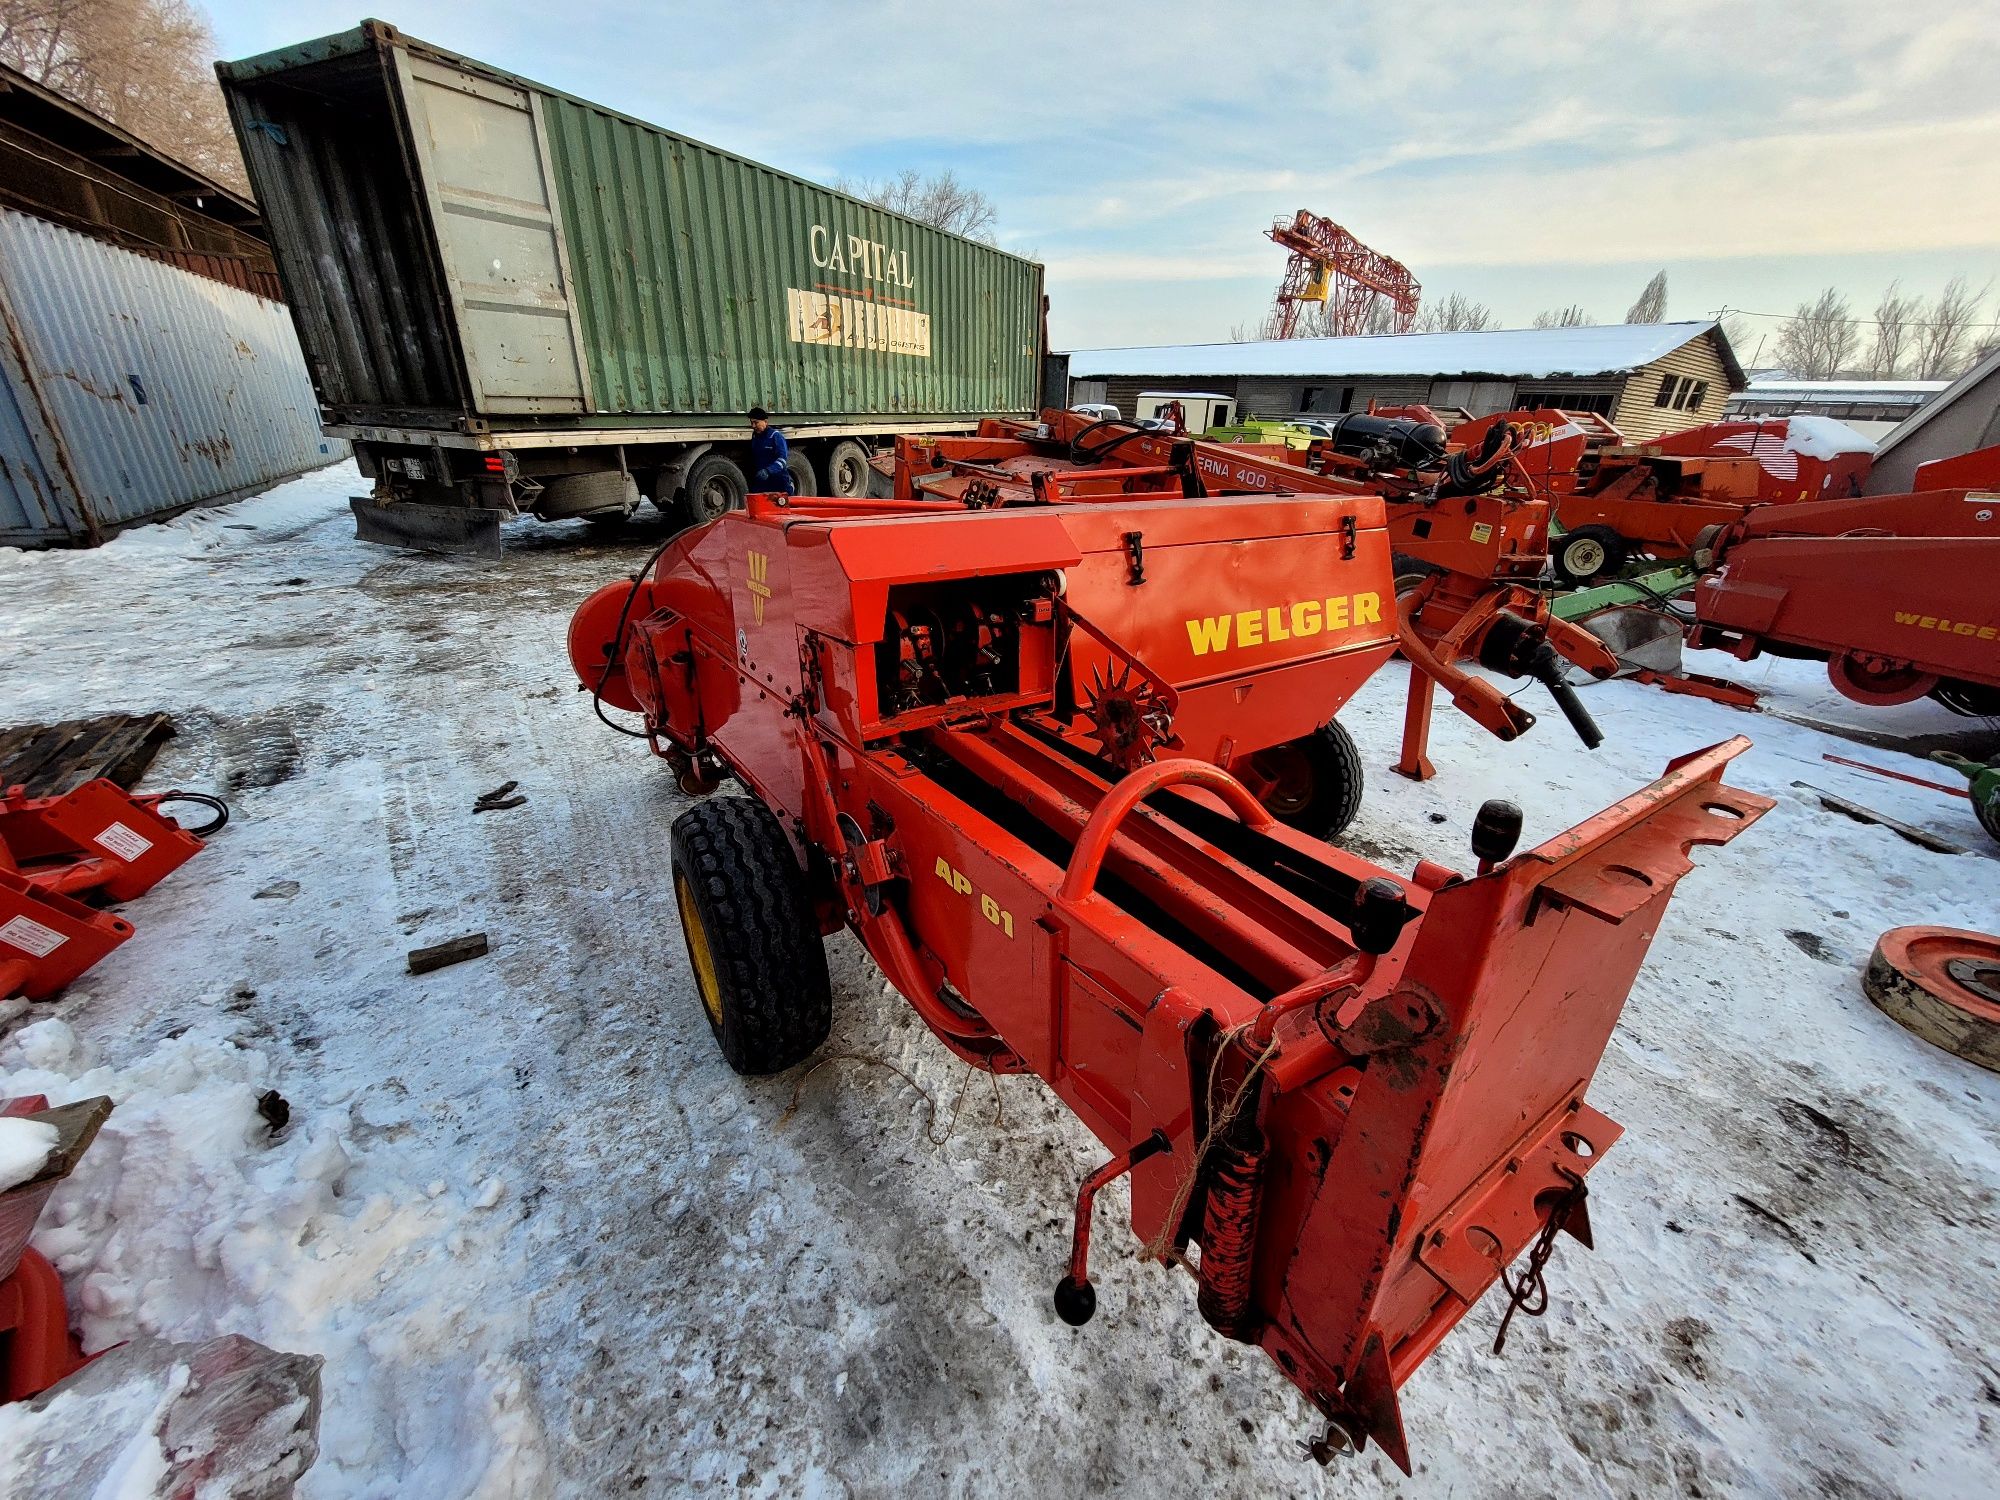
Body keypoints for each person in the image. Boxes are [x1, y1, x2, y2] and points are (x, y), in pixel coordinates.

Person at [747, 407, 795, 495]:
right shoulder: (755, 437)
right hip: (762, 483)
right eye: (751, 422)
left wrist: (768, 471)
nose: (753, 426)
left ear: (765, 421)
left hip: (779, 482)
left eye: (756, 422)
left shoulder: (775, 436)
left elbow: (782, 460)